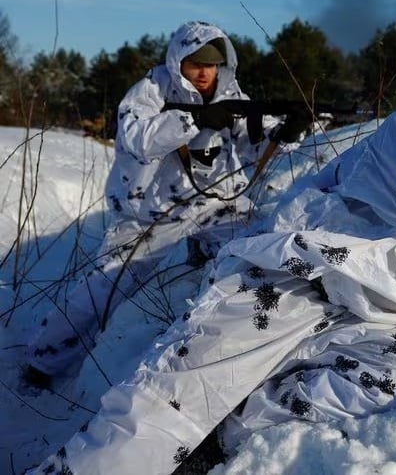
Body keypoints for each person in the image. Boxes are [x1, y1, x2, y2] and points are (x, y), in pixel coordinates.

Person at [29, 46, 396, 475]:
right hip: (291, 280)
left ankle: (225, 435)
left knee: (378, 385)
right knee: (160, 411)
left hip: (364, 318)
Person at [22, 20, 311, 390]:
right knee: (104, 286)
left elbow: (252, 142)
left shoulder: (228, 91)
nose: (205, 72)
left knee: (260, 248)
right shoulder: (150, 91)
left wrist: (285, 132)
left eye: (212, 64)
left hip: (213, 208)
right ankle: (43, 360)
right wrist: (193, 119)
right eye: (196, 63)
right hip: (150, 215)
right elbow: (136, 138)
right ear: (179, 62)